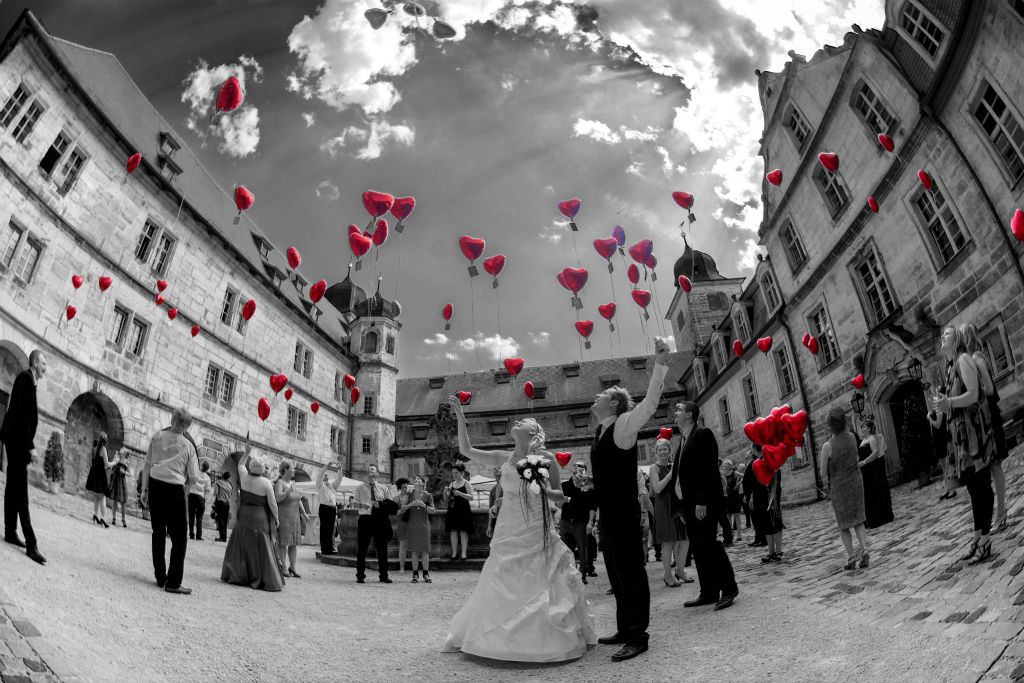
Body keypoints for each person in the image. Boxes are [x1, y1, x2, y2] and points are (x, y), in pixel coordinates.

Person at [443, 396, 595, 662]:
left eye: (523, 421)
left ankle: (542, 636)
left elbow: (559, 495)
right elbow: (467, 450)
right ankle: (496, 635)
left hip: (537, 524)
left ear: (533, 432)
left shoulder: (547, 459)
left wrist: (544, 489)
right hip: (508, 526)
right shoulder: (504, 456)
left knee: (541, 575)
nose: (517, 421)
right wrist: (460, 417)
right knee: (503, 573)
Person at [589, 336, 670, 662]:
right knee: (617, 575)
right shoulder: (600, 431)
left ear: (614, 405)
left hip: (623, 514)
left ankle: (638, 636)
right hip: (609, 516)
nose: (598, 396)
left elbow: (649, 405)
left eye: (604, 395)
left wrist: (660, 363)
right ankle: (624, 628)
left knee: (633, 574)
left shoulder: (623, 424)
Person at [933, 325, 997, 564]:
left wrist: (949, 402)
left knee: (981, 486)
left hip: (974, 435)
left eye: (947, 334)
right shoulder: (950, 367)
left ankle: (985, 541)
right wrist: (943, 405)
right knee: (973, 487)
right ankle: (978, 536)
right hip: (961, 438)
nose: (943, 337)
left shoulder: (964, 360)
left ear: (957, 339)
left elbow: (973, 394)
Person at [670, 400, 738, 611]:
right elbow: (681, 475)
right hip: (689, 505)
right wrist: (681, 507)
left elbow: (707, 471)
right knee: (699, 549)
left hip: (703, 502)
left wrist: (702, 501)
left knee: (709, 545)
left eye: (679, 409)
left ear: (690, 414)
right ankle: (708, 591)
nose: (675, 412)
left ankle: (729, 588)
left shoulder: (703, 434)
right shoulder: (683, 439)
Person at [141, 407, 199, 594]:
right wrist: (186, 489)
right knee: (179, 538)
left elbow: (148, 464)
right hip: (175, 489)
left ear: (172, 419)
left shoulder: (157, 437)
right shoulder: (188, 445)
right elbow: (194, 477)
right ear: (187, 426)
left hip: (156, 485)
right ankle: (173, 582)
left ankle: (160, 576)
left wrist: (144, 488)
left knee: (158, 532)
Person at [1, 349, 47, 565]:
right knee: (21, 491)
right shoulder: (25, 379)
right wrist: (31, 447)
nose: (46, 367)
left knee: (12, 486)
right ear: (36, 362)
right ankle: (31, 544)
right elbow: (20, 415)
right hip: (18, 443)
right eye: (44, 363)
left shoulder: (30, 381)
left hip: (16, 441)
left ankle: (10, 531)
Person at [962, 322, 1010, 532]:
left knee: (995, 464)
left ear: (967, 337)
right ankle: (998, 511)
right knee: (990, 464)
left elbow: (989, 389)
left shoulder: (977, 358)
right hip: (983, 418)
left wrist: (973, 389)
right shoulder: (971, 359)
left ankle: (1001, 510)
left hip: (989, 415)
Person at [221, 447, 284, 591]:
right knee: (262, 548)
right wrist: (276, 517)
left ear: (251, 466)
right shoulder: (266, 483)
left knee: (241, 545)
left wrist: (247, 453)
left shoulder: (243, 476)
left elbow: (240, 465)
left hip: (244, 515)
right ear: (262, 469)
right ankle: (260, 577)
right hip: (259, 518)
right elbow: (272, 504)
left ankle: (239, 575)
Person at [820, 406, 869, 570]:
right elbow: (855, 457)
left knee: (844, 524)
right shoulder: (852, 438)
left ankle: (850, 557)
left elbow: (822, 473)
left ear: (831, 426)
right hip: (855, 480)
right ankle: (865, 549)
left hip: (839, 486)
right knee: (858, 519)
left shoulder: (828, 446)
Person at [648, 438, 692, 587]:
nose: (662, 452)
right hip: (663, 506)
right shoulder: (654, 468)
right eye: (659, 450)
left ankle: (680, 571)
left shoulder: (674, 465)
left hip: (676, 505)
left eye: (665, 449)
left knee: (685, 539)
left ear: (669, 450)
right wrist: (671, 474)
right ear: (656, 452)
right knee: (668, 543)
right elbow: (657, 488)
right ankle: (667, 575)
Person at [354, 465, 395, 584]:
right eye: (368, 470)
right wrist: (363, 505)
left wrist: (380, 505)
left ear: (377, 473)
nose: (370, 471)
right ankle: (360, 575)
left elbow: (391, 506)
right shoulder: (360, 488)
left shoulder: (384, 488)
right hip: (365, 519)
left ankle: (384, 575)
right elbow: (354, 503)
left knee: (382, 549)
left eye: (372, 469)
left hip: (380, 520)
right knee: (362, 549)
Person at [560, 462, 597, 583]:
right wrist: (565, 499)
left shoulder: (588, 488)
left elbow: (592, 506)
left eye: (580, 467)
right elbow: (557, 503)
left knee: (582, 549)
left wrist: (590, 523)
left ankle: (583, 574)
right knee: (566, 550)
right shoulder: (565, 485)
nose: (577, 468)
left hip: (580, 522)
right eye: (575, 466)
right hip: (565, 521)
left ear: (585, 471)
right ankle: (570, 574)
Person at [858, 417, 893, 529]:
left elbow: (876, 453)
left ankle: (880, 517)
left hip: (873, 468)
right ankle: (871, 518)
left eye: (864, 427)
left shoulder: (873, 439)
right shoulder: (863, 441)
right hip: (866, 470)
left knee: (876, 490)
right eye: (861, 427)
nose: (862, 429)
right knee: (869, 493)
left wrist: (864, 462)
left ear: (869, 428)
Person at [275, 462, 308, 578]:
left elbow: (298, 500)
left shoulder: (293, 483)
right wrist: (288, 490)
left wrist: (304, 514)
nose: (294, 471)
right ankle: (283, 566)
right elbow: (278, 498)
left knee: (293, 543)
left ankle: (293, 567)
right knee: (283, 543)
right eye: (292, 469)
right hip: (284, 516)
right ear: (285, 469)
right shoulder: (280, 482)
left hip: (295, 517)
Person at [401, 475, 434, 583]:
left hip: (424, 525)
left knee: (425, 550)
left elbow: (433, 511)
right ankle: (415, 574)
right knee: (414, 550)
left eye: (419, 479)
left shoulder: (428, 495)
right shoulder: (409, 494)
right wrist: (412, 504)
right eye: (414, 479)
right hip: (412, 525)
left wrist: (424, 505)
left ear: (423, 483)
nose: (416, 480)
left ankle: (426, 573)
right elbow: (402, 508)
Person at [444, 464, 473, 561]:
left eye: (456, 473)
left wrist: (460, 494)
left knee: (463, 531)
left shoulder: (466, 483)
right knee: (453, 531)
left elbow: (471, 497)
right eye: (453, 473)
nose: (454, 475)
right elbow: (447, 499)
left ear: (462, 473)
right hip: (453, 509)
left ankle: (464, 553)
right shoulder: (451, 484)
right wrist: (445, 493)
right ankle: (454, 553)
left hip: (463, 509)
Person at [85, 431, 114, 528]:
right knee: (102, 497)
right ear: (105, 441)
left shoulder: (95, 448)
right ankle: (103, 518)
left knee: (97, 497)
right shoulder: (103, 449)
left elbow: (98, 463)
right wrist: (115, 462)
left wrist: (105, 467)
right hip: (100, 476)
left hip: (94, 474)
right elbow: (106, 464)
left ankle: (96, 515)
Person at [741, 449, 767, 547]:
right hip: (751, 495)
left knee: (757, 517)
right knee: (754, 518)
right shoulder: (750, 464)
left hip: (754, 494)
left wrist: (750, 495)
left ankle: (762, 539)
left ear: (751, 454)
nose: (746, 453)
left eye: (748, 452)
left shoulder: (753, 463)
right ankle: (757, 538)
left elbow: (754, 481)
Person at [316, 462, 343, 554]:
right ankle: (325, 549)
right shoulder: (320, 484)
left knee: (331, 529)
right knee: (325, 529)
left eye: (327, 475)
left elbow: (339, 479)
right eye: (325, 474)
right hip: (324, 508)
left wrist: (339, 470)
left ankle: (330, 547)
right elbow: (320, 475)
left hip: (332, 509)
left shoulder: (332, 486)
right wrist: (326, 467)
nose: (326, 475)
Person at [188, 462, 212, 541]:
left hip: (192, 495)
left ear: (201, 466)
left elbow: (190, 479)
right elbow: (208, 489)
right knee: (199, 517)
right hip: (201, 497)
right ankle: (198, 535)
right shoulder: (207, 478)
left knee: (191, 516)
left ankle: (191, 534)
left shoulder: (196, 473)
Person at [722, 459, 743, 543]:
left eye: (727, 464)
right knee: (728, 517)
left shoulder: (734, 473)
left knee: (737, 515)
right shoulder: (722, 474)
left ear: (730, 466)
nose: (725, 466)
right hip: (726, 498)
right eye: (724, 465)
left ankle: (739, 534)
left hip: (735, 497)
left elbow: (745, 476)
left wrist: (739, 483)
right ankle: (730, 534)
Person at [108, 449, 130, 528]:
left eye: (122, 450)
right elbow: (111, 468)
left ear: (124, 453)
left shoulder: (126, 462)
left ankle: (123, 520)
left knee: (123, 502)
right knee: (114, 501)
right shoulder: (116, 459)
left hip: (122, 482)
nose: (120, 451)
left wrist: (124, 472)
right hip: (115, 480)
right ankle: (114, 518)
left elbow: (129, 473)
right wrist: (114, 462)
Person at [394, 477, 411, 572]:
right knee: (403, 545)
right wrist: (401, 510)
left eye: (406, 487)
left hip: (412, 520)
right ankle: (402, 567)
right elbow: (394, 513)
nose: (405, 489)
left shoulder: (411, 495)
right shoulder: (396, 498)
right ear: (400, 488)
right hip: (402, 521)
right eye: (403, 487)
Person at [212, 471, 233, 542]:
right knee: (225, 520)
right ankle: (224, 538)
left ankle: (221, 537)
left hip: (220, 502)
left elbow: (216, 493)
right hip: (227, 504)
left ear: (223, 475)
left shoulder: (218, 482)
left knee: (220, 520)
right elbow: (230, 495)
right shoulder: (230, 485)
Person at [486, 465, 503, 538]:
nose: (496, 469)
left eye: (499, 468)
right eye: (494, 468)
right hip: (497, 519)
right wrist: (489, 526)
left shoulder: (508, 486)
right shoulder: (493, 490)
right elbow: (490, 509)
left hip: (508, 517)